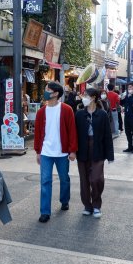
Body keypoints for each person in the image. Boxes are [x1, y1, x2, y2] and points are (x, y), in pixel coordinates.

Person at [34, 81, 77, 223]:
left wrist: (72, 150)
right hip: (46, 152)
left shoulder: (66, 109)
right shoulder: (41, 111)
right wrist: (38, 151)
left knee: (64, 179)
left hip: (62, 152)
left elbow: (72, 131)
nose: (45, 92)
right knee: (45, 181)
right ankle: (45, 212)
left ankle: (64, 200)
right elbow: (38, 132)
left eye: (48, 89)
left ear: (56, 93)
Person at [75, 88, 114, 218]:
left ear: (93, 98)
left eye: (85, 95)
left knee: (96, 178)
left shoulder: (102, 114)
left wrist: (110, 155)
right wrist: (72, 151)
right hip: (82, 150)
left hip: (98, 149)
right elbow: (74, 134)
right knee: (84, 179)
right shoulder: (79, 114)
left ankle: (96, 204)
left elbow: (108, 135)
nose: (83, 97)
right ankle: (87, 205)